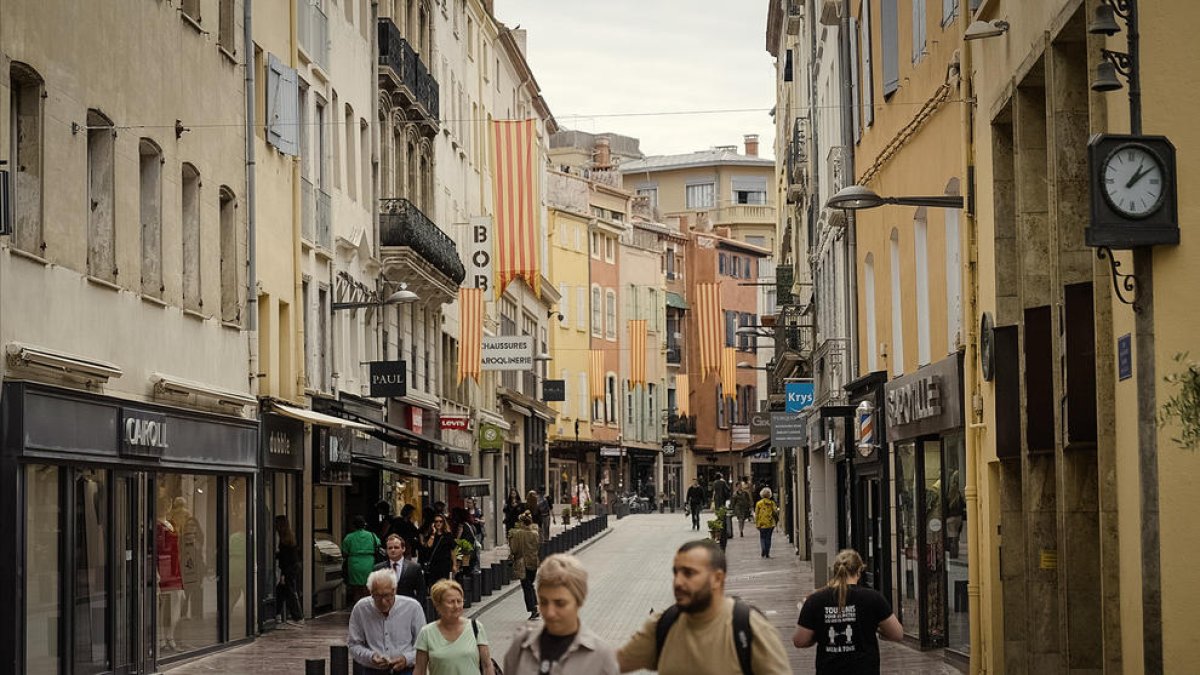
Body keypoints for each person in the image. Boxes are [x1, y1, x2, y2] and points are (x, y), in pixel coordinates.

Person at [617, 540, 790, 674]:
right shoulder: (663, 625)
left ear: (717, 579)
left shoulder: (750, 629)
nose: (678, 582)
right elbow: (610, 664)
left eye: (689, 573)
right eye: (676, 573)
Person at [502, 554, 620, 674]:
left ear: (579, 601)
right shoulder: (521, 647)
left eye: (560, 603)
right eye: (543, 602)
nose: (550, 613)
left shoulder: (601, 657)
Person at [794, 549, 903, 674]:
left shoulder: (815, 600)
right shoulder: (873, 598)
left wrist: (817, 634)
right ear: (858, 572)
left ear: (835, 572)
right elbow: (897, 634)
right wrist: (875, 627)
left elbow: (799, 641)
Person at [348, 569, 425, 674]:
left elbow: (423, 646)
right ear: (370, 592)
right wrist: (371, 657)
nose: (383, 602)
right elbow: (354, 645)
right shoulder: (361, 608)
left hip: (406, 670)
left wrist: (406, 659)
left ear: (394, 590)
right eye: (378, 596)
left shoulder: (412, 607)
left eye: (387, 595)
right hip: (373, 670)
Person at [414, 579, 496, 675]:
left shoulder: (476, 627)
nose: (456, 606)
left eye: (459, 601)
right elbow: (420, 670)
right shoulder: (426, 633)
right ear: (438, 605)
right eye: (451, 602)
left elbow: (487, 665)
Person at [509, 510, 542, 620]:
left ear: (522, 523)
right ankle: (535, 605)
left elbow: (514, 549)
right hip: (533, 562)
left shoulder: (518, 534)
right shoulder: (535, 533)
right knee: (530, 583)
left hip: (523, 563)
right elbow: (537, 547)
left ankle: (533, 609)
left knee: (526, 586)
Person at [374, 534, 426, 602]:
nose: (393, 550)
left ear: (403, 549)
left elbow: (421, 592)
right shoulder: (378, 569)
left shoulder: (414, 568)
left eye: (396, 547)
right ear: (386, 550)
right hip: (386, 608)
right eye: (390, 548)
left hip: (408, 607)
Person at [343, 516, 382, 604]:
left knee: (356, 589)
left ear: (353, 526)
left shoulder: (349, 537)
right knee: (368, 588)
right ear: (364, 525)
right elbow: (378, 544)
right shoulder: (372, 535)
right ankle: (368, 607)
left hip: (354, 563)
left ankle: (358, 607)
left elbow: (344, 552)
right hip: (369, 562)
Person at [274, 515, 303, 625]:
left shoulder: (283, 541)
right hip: (293, 568)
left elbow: (285, 559)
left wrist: (283, 575)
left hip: (287, 570)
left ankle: (298, 617)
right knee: (281, 592)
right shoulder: (290, 538)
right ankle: (277, 614)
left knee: (290, 592)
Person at [420, 513, 456, 584]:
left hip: (445, 564)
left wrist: (454, 565)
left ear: (444, 522)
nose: (438, 523)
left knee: (444, 584)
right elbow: (429, 546)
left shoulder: (448, 535)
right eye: (436, 521)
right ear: (433, 523)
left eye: (440, 521)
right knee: (433, 584)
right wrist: (433, 533)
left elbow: (453, 551)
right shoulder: (430, 534)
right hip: (433, 564)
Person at [754, 488, 780, 559]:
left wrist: (757, 523)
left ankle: (763, 549)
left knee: (762, 537)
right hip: (770, 523)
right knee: (768, 538)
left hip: (761, 523)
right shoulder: (772, 503)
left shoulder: (758, 503)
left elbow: (756, 514)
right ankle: (767, 552)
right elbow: (775, 512)